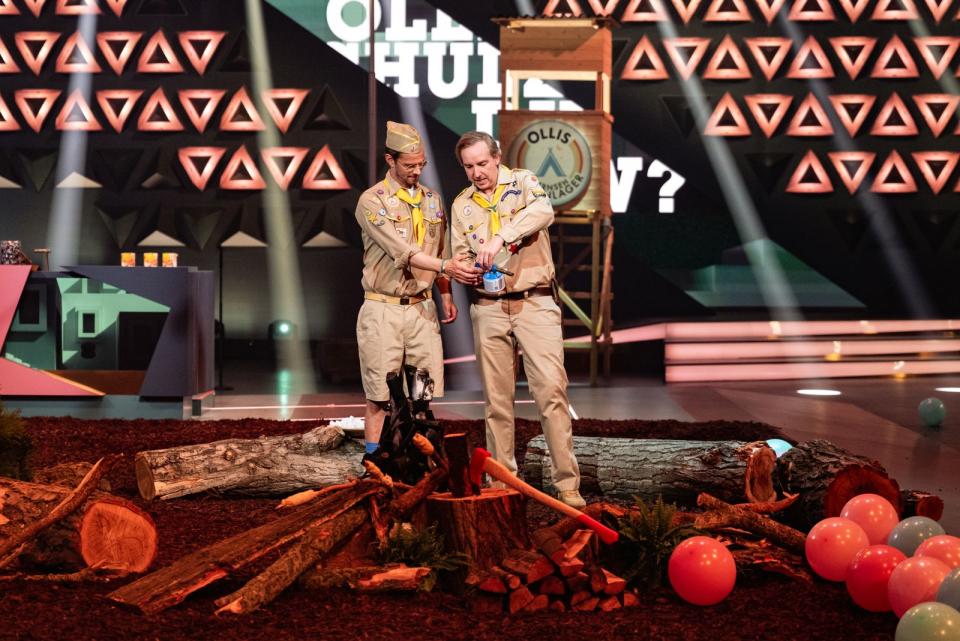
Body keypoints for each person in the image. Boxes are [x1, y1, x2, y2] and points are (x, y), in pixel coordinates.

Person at [449, 131, 585, 508]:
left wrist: (501, 239)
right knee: (496, 402)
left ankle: (567, 486)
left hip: (535, 304)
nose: (477, 172)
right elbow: (458, 253)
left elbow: (545, 213)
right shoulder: (462, 204)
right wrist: (463, 269)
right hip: (489, 308)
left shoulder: (523, 182)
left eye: (482, 163)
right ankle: (502, 481)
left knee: (551, 394)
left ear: (496, 158)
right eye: (469, 166)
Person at [354, 121, 480, 455]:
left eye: (421, 164)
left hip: (422, 310)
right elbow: (403, 252)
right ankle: (373, 462)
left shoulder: (432, 200)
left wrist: (446, 292)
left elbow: (441, 249)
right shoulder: (372, 201)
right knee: (380, 396)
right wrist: (445, 267)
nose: (416, 171)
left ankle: (422, 460)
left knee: (424, 394)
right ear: (389, 160)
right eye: (409, 165)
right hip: (384, 309)